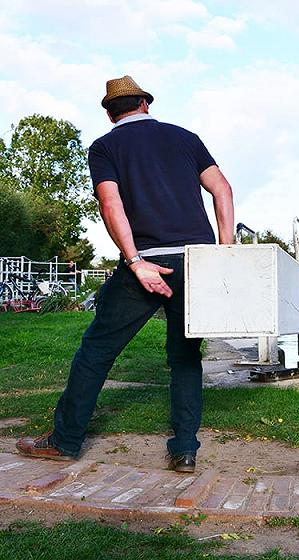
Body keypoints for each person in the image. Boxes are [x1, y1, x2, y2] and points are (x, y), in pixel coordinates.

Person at [16, 75, 234, 474]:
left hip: (147, 261)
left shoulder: (105, 146)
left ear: (109, 113)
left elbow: (109, 202)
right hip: (198, 263)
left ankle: (64, 441)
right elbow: (222, 189)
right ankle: (185, 450)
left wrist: (135, 262)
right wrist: (224, 253)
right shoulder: (186, 137)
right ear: (145, 104)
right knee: (185, 358)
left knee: (96, 353)